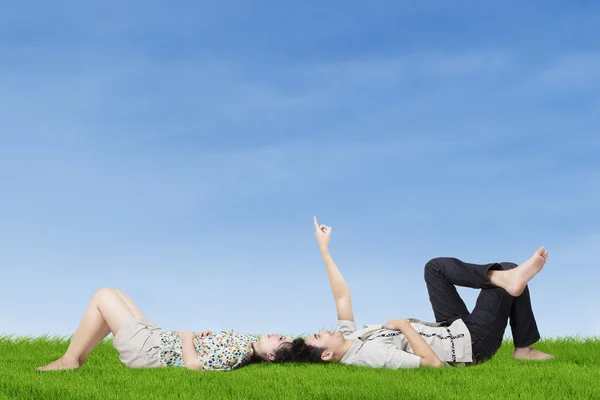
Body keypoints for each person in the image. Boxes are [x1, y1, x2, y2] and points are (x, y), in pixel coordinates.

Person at [287, 216, 554, 369]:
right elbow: (432, 365)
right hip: (470, 344)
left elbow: (342, 297)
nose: (323, 330)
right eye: (318, 336)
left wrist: (324, 249)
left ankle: (501, 277)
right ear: (326, 355)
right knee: (508, 269)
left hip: (450, 328)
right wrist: (404, 326)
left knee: (434, 268)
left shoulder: (349, 338)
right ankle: (523, 346)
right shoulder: (368, 356)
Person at [36, 288, 293, 371]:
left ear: (271, 356)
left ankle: (70, 359)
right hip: (158, 337)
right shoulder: (247, 341)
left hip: (151, 350)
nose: (277, 334)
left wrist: (186, 337)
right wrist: (204, 335)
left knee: (103, 296)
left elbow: (194, 366)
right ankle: (78, 357)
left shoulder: (241, 354)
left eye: (280, 340)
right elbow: (210, 348)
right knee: (117, 295)